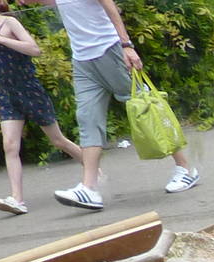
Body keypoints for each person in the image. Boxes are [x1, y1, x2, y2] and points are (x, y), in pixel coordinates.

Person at [21, 0, 199, 210]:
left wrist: (126, 46)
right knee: (87, 119)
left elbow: (111, 8)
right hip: (82, 60)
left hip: (109, 51)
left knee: (145, 107)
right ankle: (89, 189)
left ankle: (185, 168)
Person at [0, 0, 84, 215]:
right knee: (9, 146)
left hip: (29, 91)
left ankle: (93, 171)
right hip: (7, 95)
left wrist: (0, 39)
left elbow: (34, 49)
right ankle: (17, 199)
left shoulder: (9, 23)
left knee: (57, 140)